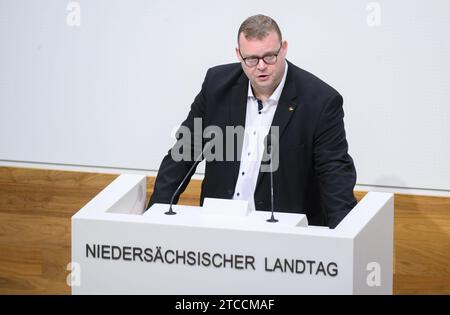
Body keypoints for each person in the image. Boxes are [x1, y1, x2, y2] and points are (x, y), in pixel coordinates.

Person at [147, 14, 357, 228]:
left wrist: (345, 237)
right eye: (252, 59)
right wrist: (153, 219)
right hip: (219, 228)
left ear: (283, 48)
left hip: (285, 237)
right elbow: (183, 154)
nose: (261, 67)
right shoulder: (216, 86)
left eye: (269, 57)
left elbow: (334, 174)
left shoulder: (320, 101)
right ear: (239, 54)